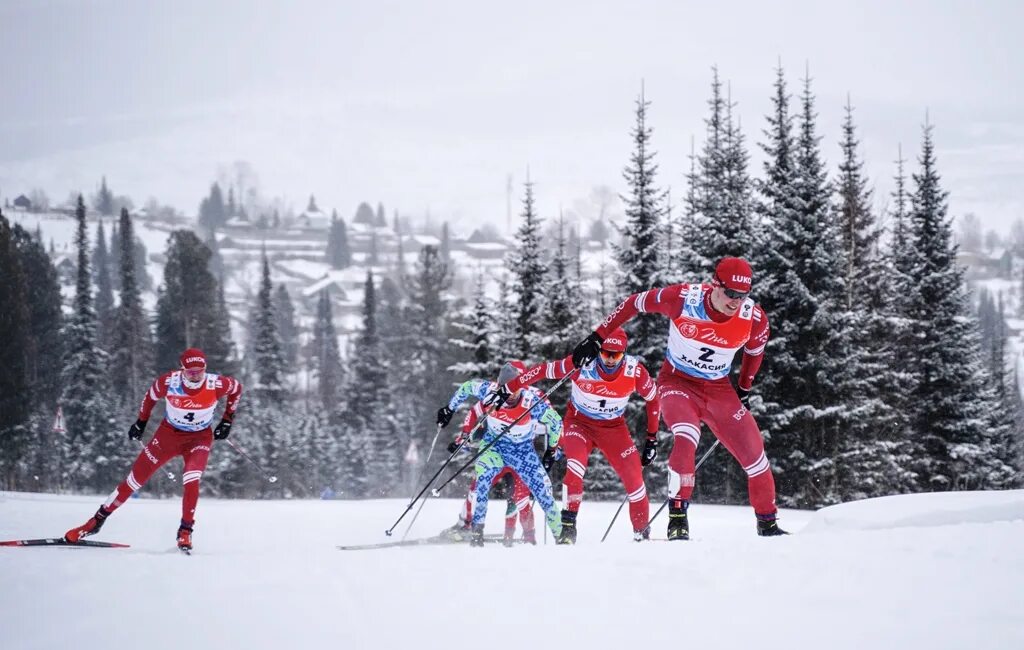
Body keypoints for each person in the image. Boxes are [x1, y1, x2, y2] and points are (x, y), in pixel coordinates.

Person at [571, 257, 788, 538]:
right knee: (687, 436)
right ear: (714, 285)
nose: (736, 301)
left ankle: (768, 525)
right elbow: (635, 302)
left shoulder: (753, 318)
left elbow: (754, 354)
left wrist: (744, 389)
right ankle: (677, 520)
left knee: (755, 454)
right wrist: (598, 337)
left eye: (742, 295)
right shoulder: (683, 299)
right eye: (730, 293)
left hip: (718, 389)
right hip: (677, 383)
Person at [63, 348, 243, 551]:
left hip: (199, 438)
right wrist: (141, 423)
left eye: (199, 371)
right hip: (168, 435)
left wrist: (227, 420)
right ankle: (95, 522)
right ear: (182, 369)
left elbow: (237, 389)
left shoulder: (217, 383)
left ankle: (185, 531)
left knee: (191, 478)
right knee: (134, 480)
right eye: (190, 372)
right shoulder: (168, 382)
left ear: (205, 369)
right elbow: (149, 398)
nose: (195, 376)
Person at [498, 327, 660, 543]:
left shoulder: (635, 371)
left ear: (624, 353)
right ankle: (568, 529)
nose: (610, 360)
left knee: (635, 481)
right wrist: (512, 386)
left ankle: (642, 534)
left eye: (617, 355)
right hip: (578, 424)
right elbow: (544, 371)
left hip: (613, 428)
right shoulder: (582, 362)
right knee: (575, 467)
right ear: (599, 349)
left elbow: (653, 399)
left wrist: (652, 439)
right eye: (605, 353)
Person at [436, 361, 563, 546]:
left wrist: (552, 450)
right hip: (494, 446)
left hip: (522, 451)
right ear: (498, 384)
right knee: (482, 482)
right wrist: (449, 410)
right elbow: (466, 388)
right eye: (505, 390)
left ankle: (561, 538)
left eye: (515, 390)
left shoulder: (532, 400)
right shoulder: (488, 391)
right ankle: (476, 533)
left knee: (543, 492)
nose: (510, 396)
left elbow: (556, 422)